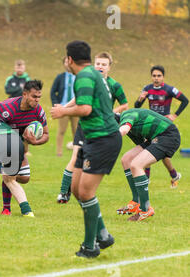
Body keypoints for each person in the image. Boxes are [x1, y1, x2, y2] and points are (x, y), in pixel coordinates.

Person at [51, 41, 121, 259]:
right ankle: (103, 235)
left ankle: (90, 246)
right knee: (75, 189)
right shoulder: (92, 73)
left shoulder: (84, 77)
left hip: (104, 139)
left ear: (70, 59)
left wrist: (63, 111)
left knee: (86, 192)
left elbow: (86, 108)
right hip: (91, 139)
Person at [56, 51, 128, 204]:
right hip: (85, 125)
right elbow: (77, 99)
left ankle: (86, 192)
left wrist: (110, 113)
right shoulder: (90, 80)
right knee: (75, 157)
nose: (100, 67)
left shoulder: (115, 85)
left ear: (109, 67)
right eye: (98, 64)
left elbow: (125, 105)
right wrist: (63, 108)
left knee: (90, 163)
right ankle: (63, 192)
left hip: (102, 129)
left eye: (104, 64)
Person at [0, 80, 49, 216]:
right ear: (25, 94)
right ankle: (6, 208)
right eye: (34, 97)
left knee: (24, 177)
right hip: (1, 142)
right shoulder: (7, 108)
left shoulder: (38, 111)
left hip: (19, 147)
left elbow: (46, 134)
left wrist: (35, 142)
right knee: (9, 173)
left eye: (39, 97)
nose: (37, 100)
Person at [117, 109, 181, 221]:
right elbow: (141, 144)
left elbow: (124, 129)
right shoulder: (131, 130)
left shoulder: (127, 115)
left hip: (168, 136)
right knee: (127, 159)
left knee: (136, 165)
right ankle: (136, 202)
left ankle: (145, 209)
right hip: (156, 138)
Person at [134, 65, 188, 188]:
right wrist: (140, 99)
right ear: (151, 77)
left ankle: (167, 176)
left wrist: (174, 115)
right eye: (154, 76)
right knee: (149, 149)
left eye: (159, 76)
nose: (156, 78)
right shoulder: (147, 89)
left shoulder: (169, 89)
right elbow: (137, 106)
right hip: (151, 125)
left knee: (158, 152)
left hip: (165, 127)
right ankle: (171, 175)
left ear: (163, 77)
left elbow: (185, 100)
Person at [50, 56, 78, 157]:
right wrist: (56, 105)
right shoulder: (60, 77)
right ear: (64, 64)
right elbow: (53, 92)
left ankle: (77, 152)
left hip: (76, 108)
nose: (67, 64)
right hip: (63, 108)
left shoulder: (79, 76)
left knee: (76, 130)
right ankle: (59, 152)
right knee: (61, 130)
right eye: (65, 62)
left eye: (69, 62)